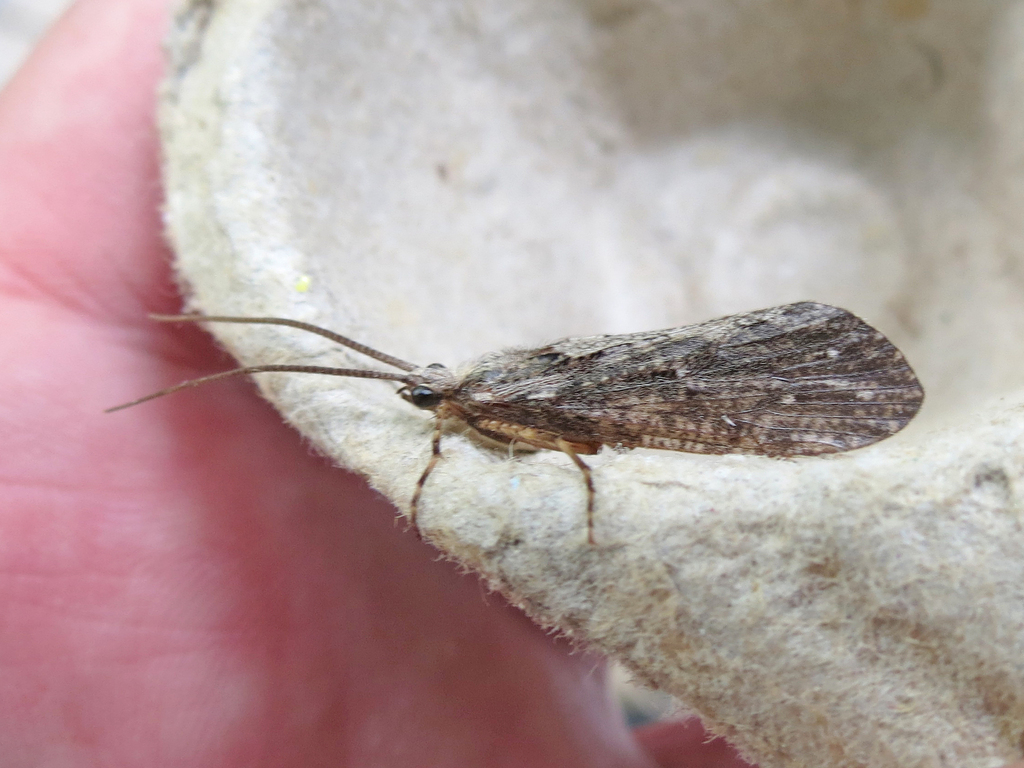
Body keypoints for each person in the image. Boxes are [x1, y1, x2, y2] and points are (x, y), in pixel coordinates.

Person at [0, 1, 751, 764]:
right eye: (425, 396)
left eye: (424, 399)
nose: (421, 403)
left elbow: (572, 442)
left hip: (636, 401)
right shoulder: (467, 399)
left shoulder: (478, 399)